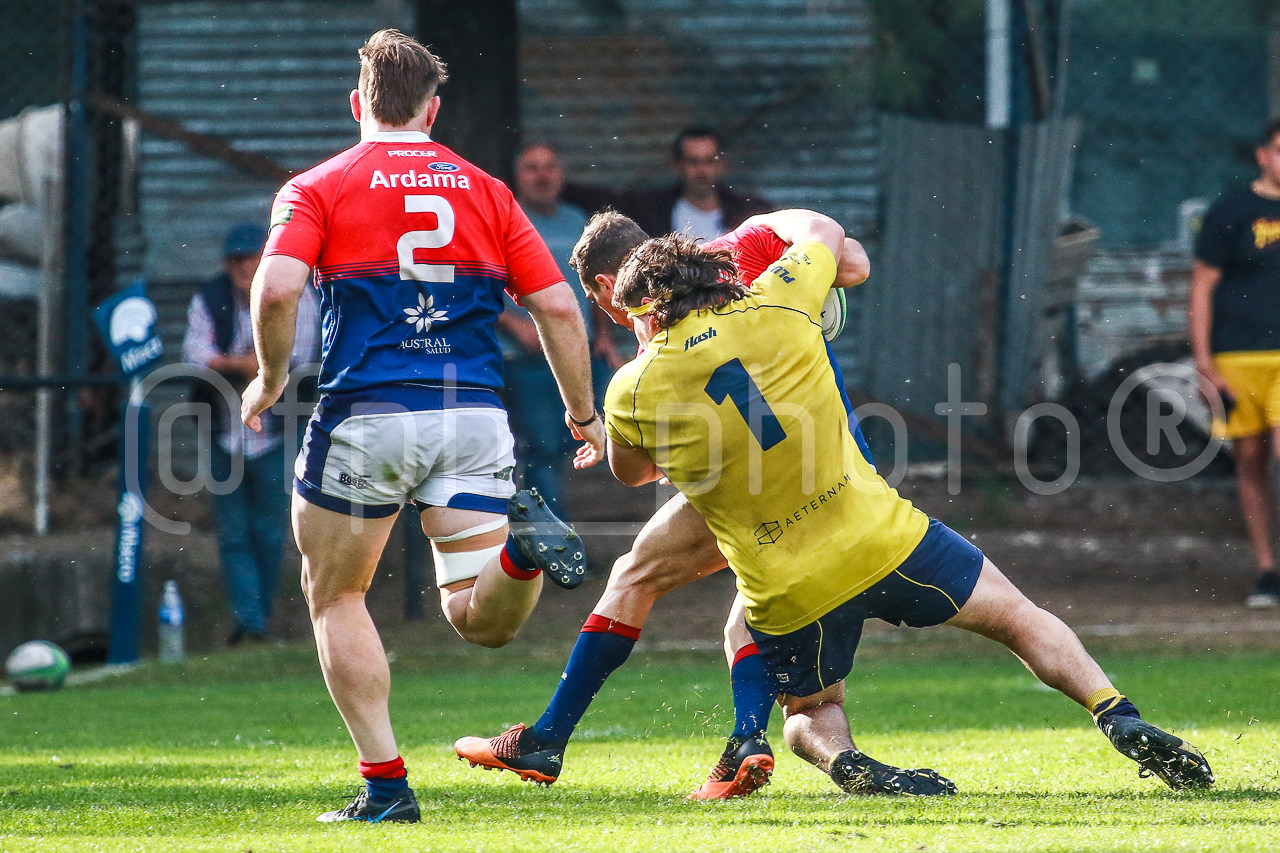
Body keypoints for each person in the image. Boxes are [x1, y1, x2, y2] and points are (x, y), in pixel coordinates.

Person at [599, 225, 1215, 797]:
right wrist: (770, 225)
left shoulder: (629, 387)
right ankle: (1117, 714)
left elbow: (632, 474)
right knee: (1020, 619)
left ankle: (844, 762)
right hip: (884, 538)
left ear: (645, 314)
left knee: (810, 711)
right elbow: (823, 232)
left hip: (787, 584)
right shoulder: (782, 303)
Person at [239, 29, 603, 824]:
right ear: (433, 110)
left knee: (336, 594)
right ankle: (519, 545)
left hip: (366, 414)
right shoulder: (488, 191)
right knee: (478, 617)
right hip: (472, 414)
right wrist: (582, 413)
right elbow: (556, 308)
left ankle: (386, 784)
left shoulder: (318, 186)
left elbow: (273, 292)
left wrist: (270, 377)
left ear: (358, 103)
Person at [456, 209, 882, 800]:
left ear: (608, 288)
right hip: (829, 467)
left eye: (602, 304)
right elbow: (854, 261)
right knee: (744, 612)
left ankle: (554, 737)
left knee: (643, 577)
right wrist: (813, 266)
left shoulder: (655, 341)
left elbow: (637, 468)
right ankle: (745, 739)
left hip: (769, 478)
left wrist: (611, 437)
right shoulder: (735, 252)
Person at [182, 222, 319, 645]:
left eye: (251, 257)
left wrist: (237, 363)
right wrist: (253, 366)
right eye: (236, 260)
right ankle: (250, 622)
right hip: (224, 430)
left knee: (269, 529)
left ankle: (261, 615)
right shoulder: (210, 298)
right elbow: (196, 355)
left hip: (278, 430)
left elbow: (301, 355)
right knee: (233, 533)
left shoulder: (299, 294)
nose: (244, 267)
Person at [498, 143, 623, 513]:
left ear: (561, 174)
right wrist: (514, 325)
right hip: (524, 358)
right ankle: (552, 540)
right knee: (543, 448)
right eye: (531, 167)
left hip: (580, 351)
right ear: (517, 177)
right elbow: (473, 285)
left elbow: (593, 284)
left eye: (550, 167)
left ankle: (593, 529)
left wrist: (603, 336)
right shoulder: (504, 218)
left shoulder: (576, 219)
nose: (542, 175)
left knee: (605, 431)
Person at [1191, 117, 1280, 609]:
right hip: (1238, 355)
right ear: (1263, 155)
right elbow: (1201, 287)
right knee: (1252, 462)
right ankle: (1268, 570)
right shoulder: (1231, 211)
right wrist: (1204, 361)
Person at [563, 126, 772, 241]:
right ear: (677, 165)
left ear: (722, 165)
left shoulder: (750, 210)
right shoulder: (652, 208)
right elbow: (603, 200)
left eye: (709, 161)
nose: (702, 170)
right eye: (693, 162)